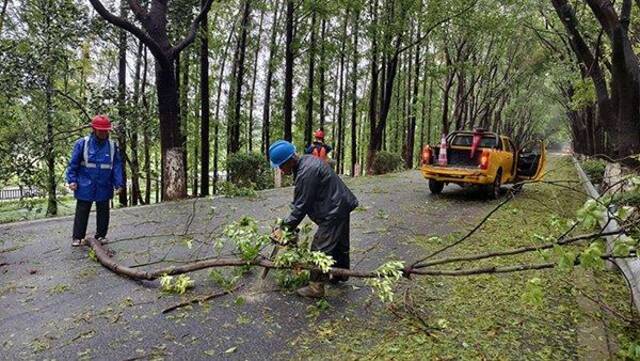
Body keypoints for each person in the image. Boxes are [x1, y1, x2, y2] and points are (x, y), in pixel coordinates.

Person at [269, 140, 358, 298]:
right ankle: (340, 274)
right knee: (338, 243)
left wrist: (285, 229)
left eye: (281, 166)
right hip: (339, 204)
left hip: (334, 210)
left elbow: (301, 206)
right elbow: (299, 201)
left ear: (290, 160)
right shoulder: (305, 163)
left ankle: (316, 288)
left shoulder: (306, 172)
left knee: (319, 248)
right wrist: (289, 224)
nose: (281, 171)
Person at [66, 115, 124, 247]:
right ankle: (78, 237)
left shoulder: (112, 146)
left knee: (103, 210)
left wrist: (118, 183)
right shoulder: (82, 143)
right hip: (85, 183)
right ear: (94, 129)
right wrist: (72, 180)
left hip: (104, 184)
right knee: (82, 209)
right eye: (101, 130)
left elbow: (116, 166)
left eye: (106, 131)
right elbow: (73, 164)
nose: (104, 133)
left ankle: (101, 235)